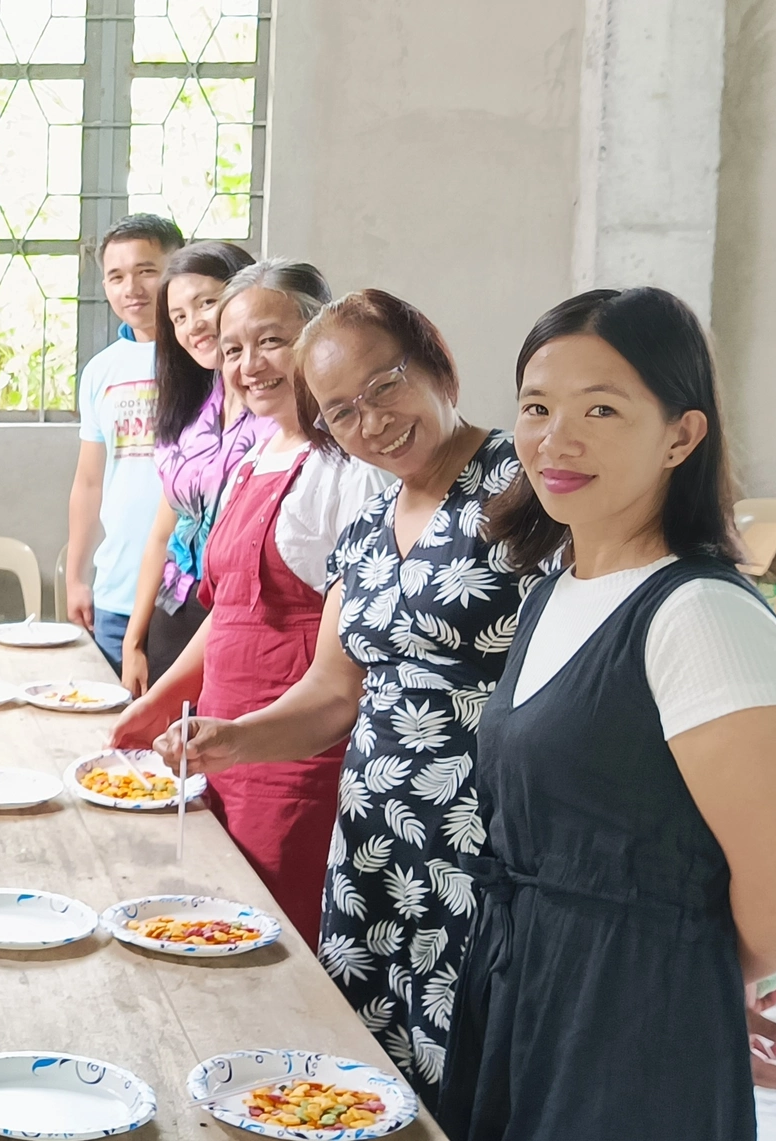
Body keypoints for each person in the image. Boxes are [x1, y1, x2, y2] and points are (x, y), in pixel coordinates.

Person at [434, 288, 776, 1140]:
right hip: (525, 990)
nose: (556, 439)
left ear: (681, 436)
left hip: (627, 1028)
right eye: (536, 407)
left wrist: (689, 991)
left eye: (602, 409)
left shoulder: (699, 617)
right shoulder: (558, 588)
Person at [151, 288, 521, 1100]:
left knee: (473, 1073)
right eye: (342, 412)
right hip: (375, 844)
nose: (372, 422)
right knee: (369, 1075)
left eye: (384, 386)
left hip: (483, 845)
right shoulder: (368, 523)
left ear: (435, 360)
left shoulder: (525, 491)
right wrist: (234, 737)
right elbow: (331, 691)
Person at [111, 261, 388, 949]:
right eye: (233, 348)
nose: (248, 365)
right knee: (211, 926)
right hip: (222, 744)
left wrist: (237, 737)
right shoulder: (254, 457)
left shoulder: (351, 470)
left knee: (276, 947)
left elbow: (348, 660)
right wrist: (163, 701)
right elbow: (230, 612)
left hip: (294, 760)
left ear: (321, 341)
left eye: (271, 341)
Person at [123, 240, 267, 692]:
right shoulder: (191, 414)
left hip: (243, 626)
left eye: (206, 303)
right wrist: (134, 640)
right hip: (174, 613)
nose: (194, 325)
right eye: (179, 317)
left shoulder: (280, 417)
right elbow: (162, 534)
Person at [67, 214, 183, 672]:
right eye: (116, 277)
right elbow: (89, 481)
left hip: (183, 592)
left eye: (146, 271)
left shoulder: (203, 359)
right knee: (113, 712)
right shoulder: (101, 370)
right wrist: (77, 578)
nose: (131, 288)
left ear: (177, 270)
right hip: (116, 590)